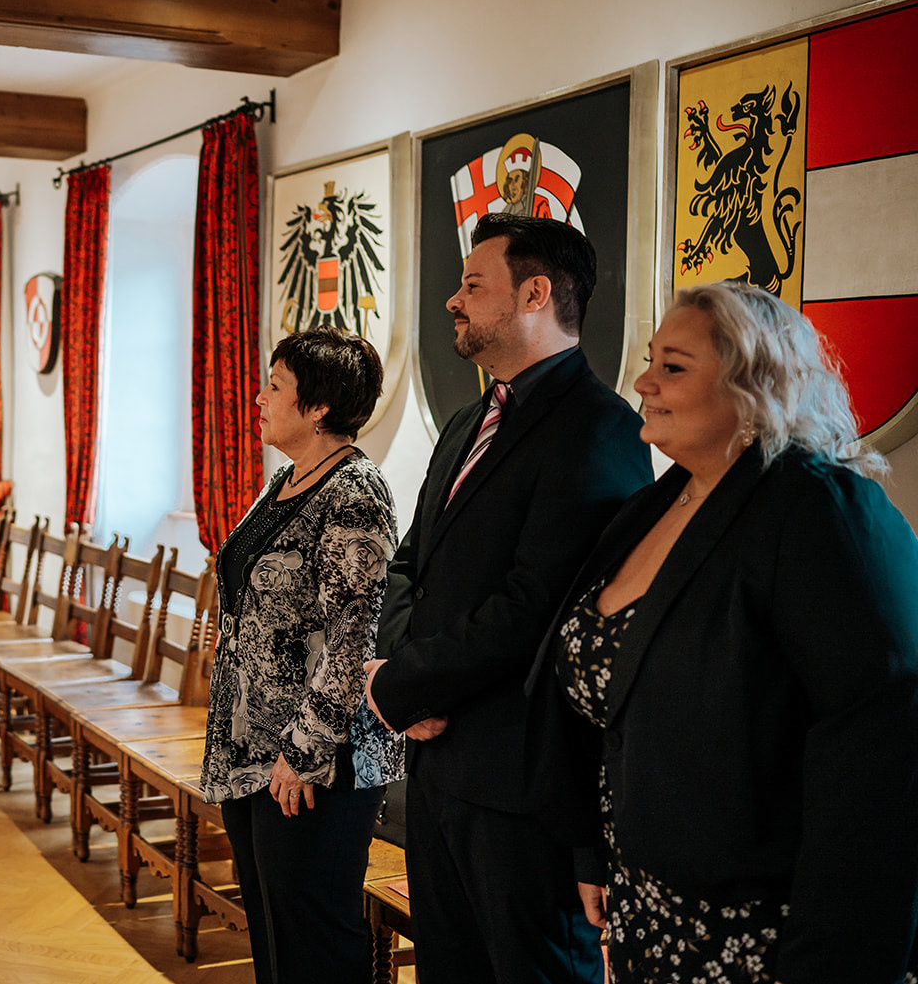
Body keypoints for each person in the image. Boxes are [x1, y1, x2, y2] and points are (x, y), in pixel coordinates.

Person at [535, 281, 918, 983]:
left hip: (767, 938)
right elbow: (615, 711)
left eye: (673, 367)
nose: (643, 383)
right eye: (650, 361)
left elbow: (880, 758)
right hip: (648, 916)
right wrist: (592, 850)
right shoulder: (654, 506)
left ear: (755, 384)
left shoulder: (820, 508)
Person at [363, 212, 651, 984]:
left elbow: (539, 606)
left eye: (472, 284)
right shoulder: (469, 421)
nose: (453, 301)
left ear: (535, 293)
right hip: (436, 766)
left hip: (521, 783)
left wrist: (406, 683)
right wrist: (401, 679)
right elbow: (410, 562)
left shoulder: (598, 429)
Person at [200, 325, 402, 984]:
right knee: (272, 930)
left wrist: (305, 751)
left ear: (318, 406)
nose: (259, 397)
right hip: (251, 748)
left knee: (314, 939)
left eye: (275, 386)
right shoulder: (289, 478)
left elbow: (353, 637)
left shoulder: (355, 492)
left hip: (315, 761)